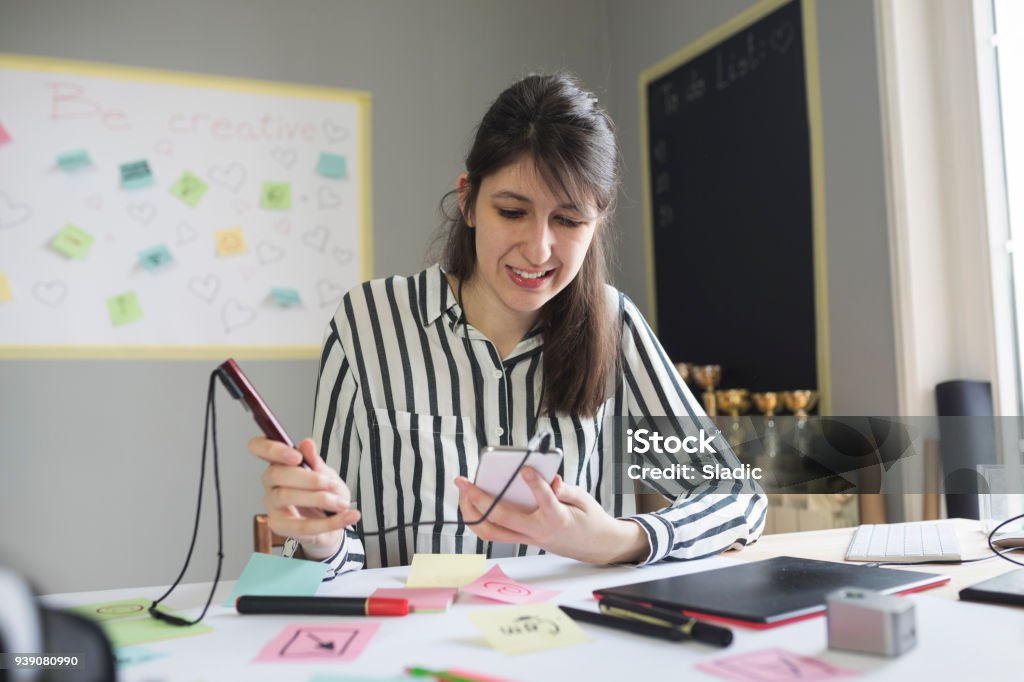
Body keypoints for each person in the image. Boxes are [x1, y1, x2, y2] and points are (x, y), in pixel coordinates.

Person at [248, 73, 767, 577]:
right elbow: (332, 556)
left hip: (568, 648)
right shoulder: (369, 322)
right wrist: (321, 540)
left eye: (568, 221)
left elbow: (738, 498)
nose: (539, 249)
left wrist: (617, 540)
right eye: (513, 211)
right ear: (469, 200)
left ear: (597, 225)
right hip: (411, 651)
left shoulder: (614, 324)